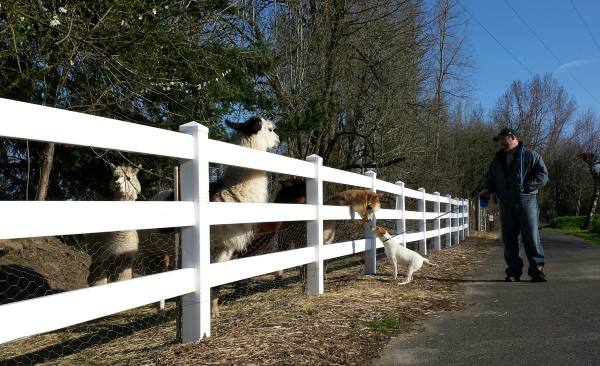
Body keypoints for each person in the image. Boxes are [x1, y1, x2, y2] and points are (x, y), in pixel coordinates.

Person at [480, 128, 549, 282]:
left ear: (512, 137)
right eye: (499, 141)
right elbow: (490, 178)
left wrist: (527, 186)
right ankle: (513, 271)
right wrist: (487, 190)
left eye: (503, 139)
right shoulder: (497, 160)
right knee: (509, 239)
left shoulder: (530, 156)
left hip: (527, 201)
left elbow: (543, 176)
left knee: (531, 236)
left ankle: (537, 269)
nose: (500, 143)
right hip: (505, 203)